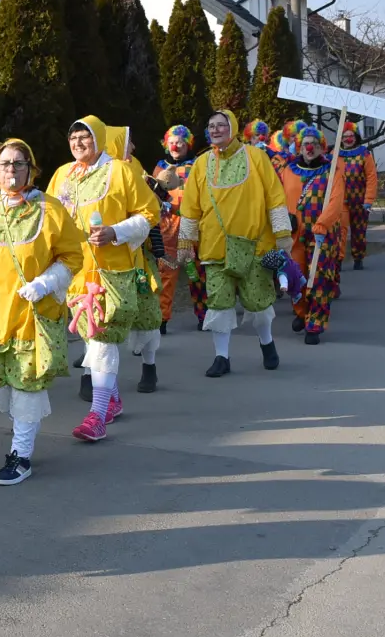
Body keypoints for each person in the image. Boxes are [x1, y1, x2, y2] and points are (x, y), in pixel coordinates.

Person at [0, 138, 84, 484]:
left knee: (27, 385)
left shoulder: (50, 209)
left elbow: (72, 257)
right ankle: (24, 429)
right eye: (5, 164)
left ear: (30, 169)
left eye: (18, 163)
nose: (11, 169)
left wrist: (46, 282)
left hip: (31, 318)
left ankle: (21, 454)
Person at [50, 117, 162, 444]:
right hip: (74, 272)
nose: (78, 142)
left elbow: (149, 212)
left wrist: (116, 232)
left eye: (84, 136)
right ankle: (111, 399)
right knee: (91, 338)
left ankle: (97, 415)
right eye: (73, 137)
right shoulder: (62, 175)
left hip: (111, 271)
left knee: (102, 338)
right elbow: (50, 217)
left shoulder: (121, 171)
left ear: (98, 138)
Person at [176, 108, 292, 378]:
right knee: (219, 303)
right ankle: (221, 357)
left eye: (220, 125)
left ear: (233, 128)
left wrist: (282, 232)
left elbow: (275, 196)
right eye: (211, 125)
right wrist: (185, 242)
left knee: (260, 303)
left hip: (255, 246)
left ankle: (267, 342)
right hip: (215, 248)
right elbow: (190, 207)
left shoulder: (257, 157)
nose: (215, 130)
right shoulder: (201, 164)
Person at [278, 125, 346, 344]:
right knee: (294, 276)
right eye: (305, 144)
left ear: (321, 147)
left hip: (321, 233)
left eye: (314, 144)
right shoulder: (288, 171)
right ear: (299, 146)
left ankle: (315, 323)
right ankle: (301, 311)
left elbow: (336, 201)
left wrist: (323, 224)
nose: (309, 148)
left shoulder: (331, 170)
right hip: (294, 233)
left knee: (319, 279)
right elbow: (277, 198)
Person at [153, 125, 205, 332]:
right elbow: (153, 194)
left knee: (196, 272)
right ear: (166, 145)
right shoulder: (159, 167)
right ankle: (161, 318)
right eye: (172, 142)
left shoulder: (197, 165)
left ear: (187, 144)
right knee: (166, 272)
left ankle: (204, 314)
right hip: (168, 227)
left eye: (180, 142)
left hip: (192, 225)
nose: (176, 145)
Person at [336, 120, 378, 270]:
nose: (348, 139)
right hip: (340, 200)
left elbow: (372, 177)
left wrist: (368, 199)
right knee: (340, 230)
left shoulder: (364, 154)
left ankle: (358, 257)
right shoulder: (335, 154)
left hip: (360, 200)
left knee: (359, 231)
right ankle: (338, 259)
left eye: (351, 136)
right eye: (345, 136)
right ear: (340, 138)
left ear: (356, 137)